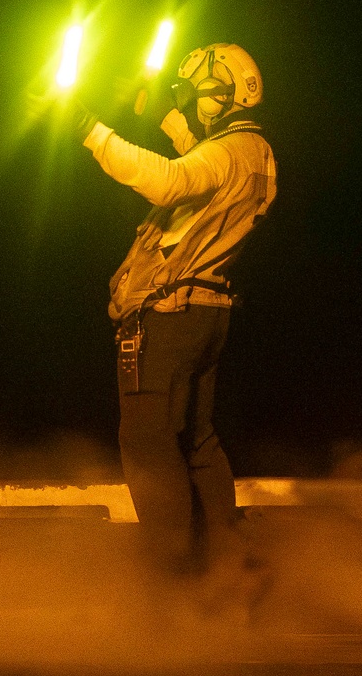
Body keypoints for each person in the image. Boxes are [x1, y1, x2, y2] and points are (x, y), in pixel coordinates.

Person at [72, 44, 276, 579]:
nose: (192, 105)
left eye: (196, 95)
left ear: (222, 94)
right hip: (207, 313)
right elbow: (205, 165)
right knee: (197, 442)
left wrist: (92, 131)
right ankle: (226, 577)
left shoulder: (229, 152)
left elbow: (172, 179)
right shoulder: (255, 152)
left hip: (168, 314)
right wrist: (160, 116)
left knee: (146, 442)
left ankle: (171, 583)